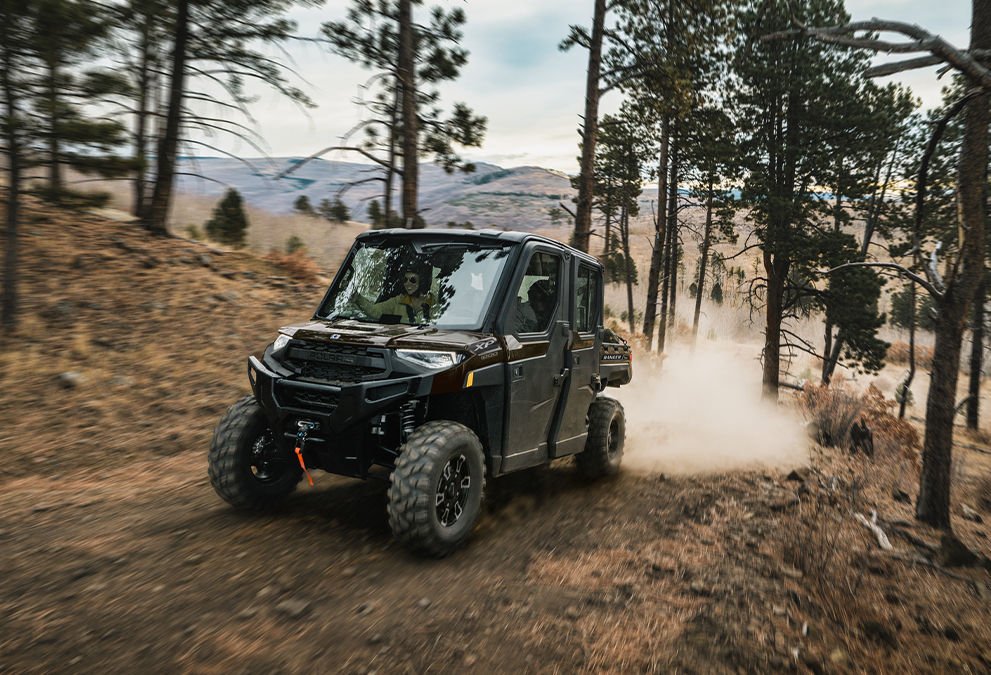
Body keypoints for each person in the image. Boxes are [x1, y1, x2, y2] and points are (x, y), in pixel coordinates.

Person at [353, 269, 434, 324]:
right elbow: (374, 311)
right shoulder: (398, 301)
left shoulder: (434, 302)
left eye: (413, 280)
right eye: (405, 280)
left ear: (421, 282)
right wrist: (357, 297)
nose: (408, 283)